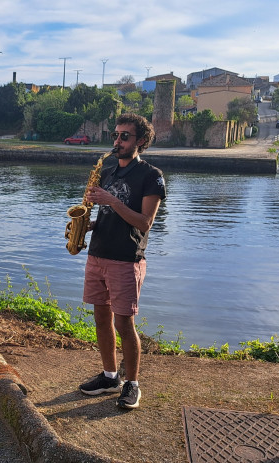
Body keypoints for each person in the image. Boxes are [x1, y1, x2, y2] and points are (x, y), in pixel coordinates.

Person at [78, 113, 166, 409]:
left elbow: (145, 223)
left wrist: (111, 201)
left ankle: (132, 384)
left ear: (141, 141)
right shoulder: (108, 170)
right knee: (101, 319)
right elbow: (105, 213)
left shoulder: (151, 175)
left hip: (126, 259)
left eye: (124, 137)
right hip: (98, 253)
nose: (117, 142)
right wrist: (86, 225)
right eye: (115, 136)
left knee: (124, 323)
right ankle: (109, 376)